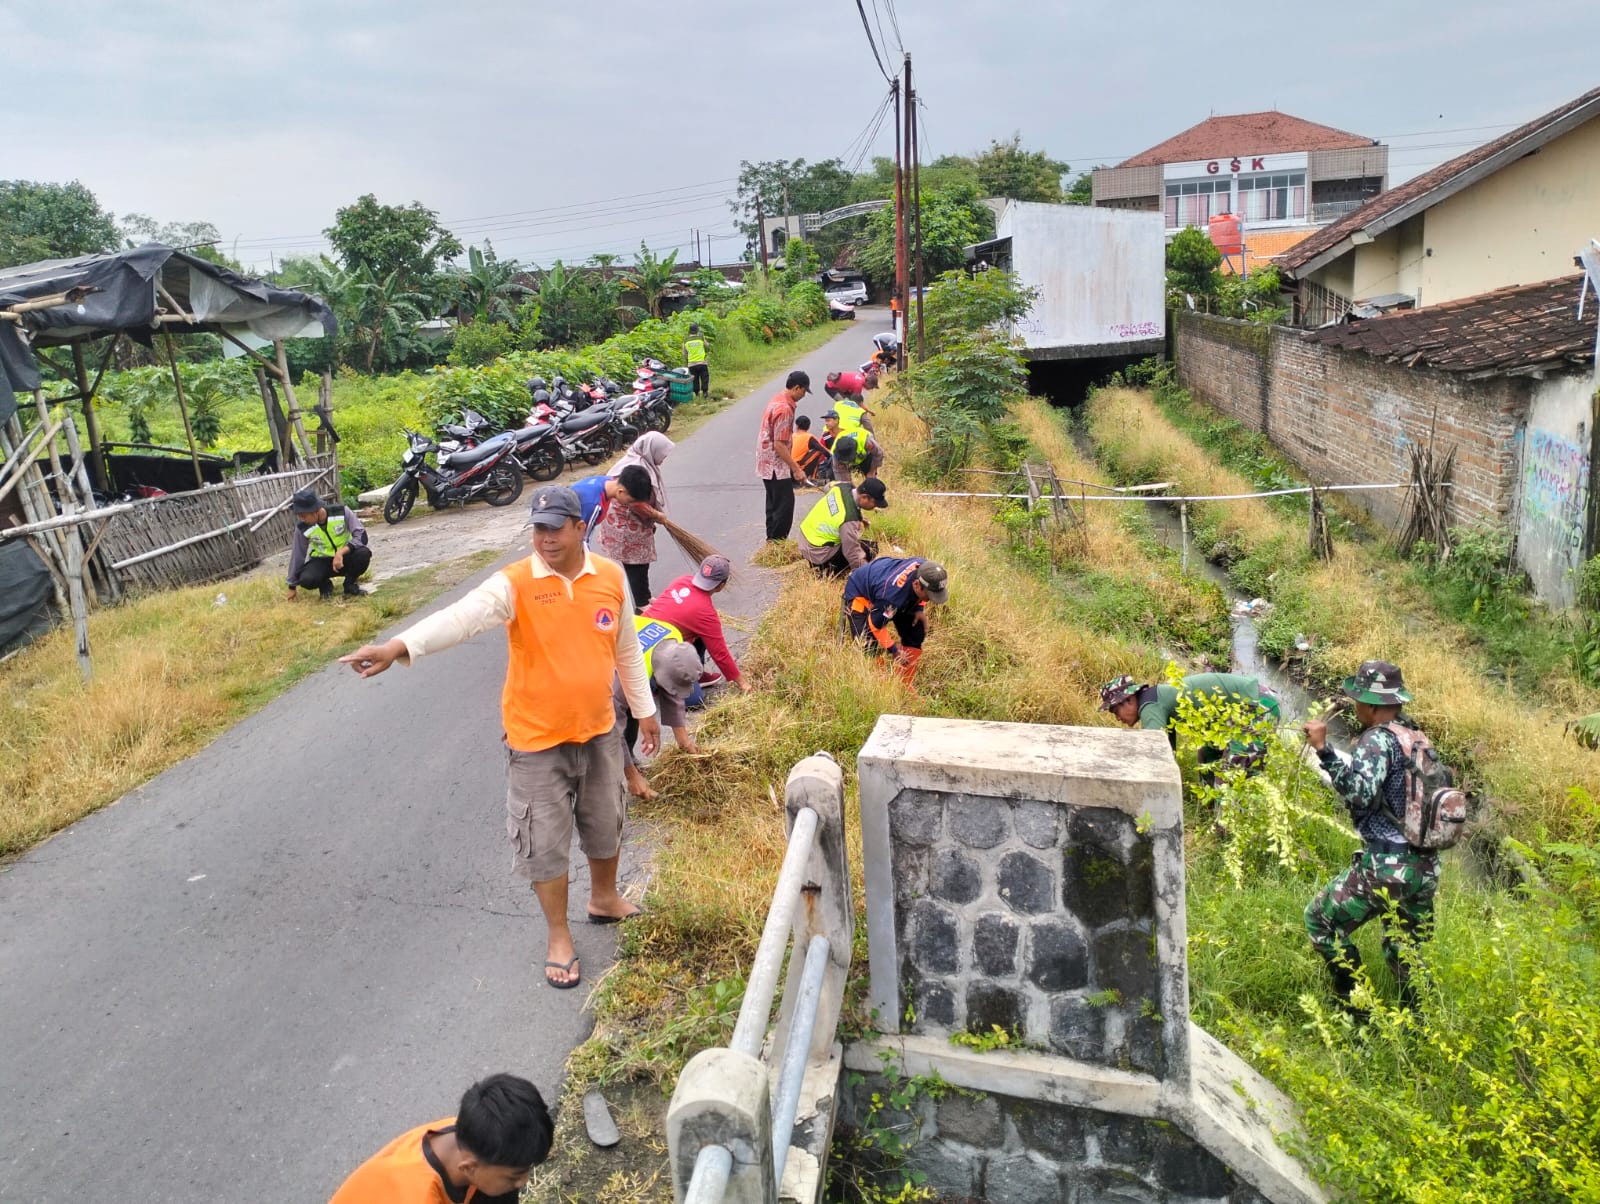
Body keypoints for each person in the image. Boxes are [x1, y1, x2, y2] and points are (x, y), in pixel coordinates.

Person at [339, 485, 660, 991]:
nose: (545, 538)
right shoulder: (515, 582)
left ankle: (604, 898)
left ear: (581, 527)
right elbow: (461, 618)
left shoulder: (611, 577)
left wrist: (643, 712)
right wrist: (401, 645)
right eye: (537, 528)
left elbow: (625, 649)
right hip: (535, 740)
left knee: (606, 822)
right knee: (543, 842)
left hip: (599, 730)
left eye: (556, 527)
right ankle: (559, 935)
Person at [1302, 661, 1437, 1014]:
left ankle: (1357, 1007)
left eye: (1359, 700)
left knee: (1321, 921)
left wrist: (1324, 751)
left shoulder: (1377, 739)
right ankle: (1422, 1023)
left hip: (1387, 864)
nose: (1355, 706)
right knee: (1404, 950)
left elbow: (1359, 793)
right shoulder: (1416, 737)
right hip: (1423, 866)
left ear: (1375, 705)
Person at [328, 1072, 553, 1204]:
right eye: (515, 1176)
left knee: (500, 1190)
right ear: (469, 1168)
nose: (524, 1181)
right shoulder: (417, 1194)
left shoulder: (475, 1135)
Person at [1099, 671, 1280, 770]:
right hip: (1238, 712)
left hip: (1256, 705)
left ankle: (1229, 831)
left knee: (1236, 772)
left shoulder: (1150, 706)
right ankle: (1210, 815)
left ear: (1129, 700)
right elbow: (1167, 753)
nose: (1117, 718)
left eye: (1116, 711)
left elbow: (1153, 757)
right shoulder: (1155, 700)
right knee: (1209, 756)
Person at [615, 621, 704, 799]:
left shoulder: (672, 635)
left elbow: (672, 688)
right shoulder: (618, 682)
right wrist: (630, 775)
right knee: (594, 740)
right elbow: (611, 728)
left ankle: (628, 758)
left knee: (637, 708)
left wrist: (683, 740)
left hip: (622, 641)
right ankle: (614, 773)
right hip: (579, 664)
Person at [643, 554, 752, 695]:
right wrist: (743, 684)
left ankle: (694, 674)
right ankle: (656, 683)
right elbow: (720, 653)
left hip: (640, 638)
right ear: (721, 585)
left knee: (701, 632)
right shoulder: (706, 613)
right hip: (652, 660)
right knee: (696, 699)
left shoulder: (681, 581)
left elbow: (667, 609)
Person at [842, 556, 949, 687]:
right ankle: (879, 684)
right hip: (860, 592)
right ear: (916, 585)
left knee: (916, 630)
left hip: (885, 586)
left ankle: (904, 685)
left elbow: (917, 594)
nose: (931, 600)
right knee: (866, 643)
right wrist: (894, 651)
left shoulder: (926, 569)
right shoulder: (892, 599)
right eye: (929, 596)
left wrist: (919, 609)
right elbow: (875, 625)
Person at [593, 432, 673, 608]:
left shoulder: (641, 462)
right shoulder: (636, 466)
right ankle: (641, 603)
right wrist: (657, 515)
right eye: (662, 454)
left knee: (639, 563)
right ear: (652, 450)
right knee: (636, 564)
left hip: (631, 524)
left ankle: (645, 596)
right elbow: (636, 502)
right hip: (626, 527)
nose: (663, 458)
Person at [286, 487, 371, 601]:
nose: (302, 519)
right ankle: (325, 585)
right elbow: (297, 555)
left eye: (303, 515)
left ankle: (349, 585)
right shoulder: (302, 527)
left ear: (315, 510)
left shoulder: (342, 511)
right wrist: (292, 586)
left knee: (363, 553)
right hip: (322, 562)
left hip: (345, 558)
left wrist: (341, 552)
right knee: (306, 579)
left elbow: (361, 536)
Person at [756, 370, 808, 541]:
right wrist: (796, 469)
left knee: (773, 502)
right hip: (775, 464)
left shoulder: (776, 398)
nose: (804, 394)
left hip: (765, 460)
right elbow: (779, 444)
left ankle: (771, 540)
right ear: (796, 388)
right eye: (804, 390)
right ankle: (778, 542)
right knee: (785, 505)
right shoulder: (784, 408)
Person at [798, 478, 887, 576]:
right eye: (874, 503)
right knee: (870, 549)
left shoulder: (842, 486)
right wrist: (866, 575)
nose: (874, 507)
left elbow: (827, 487)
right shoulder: (848, 519)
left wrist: (860, 517)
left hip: (805, 540)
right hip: (818, 554)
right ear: (864, 497)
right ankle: (826, 571)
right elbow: (852, 553)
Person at [571, 464, 656, 543]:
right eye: (630, 501)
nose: (630, 504)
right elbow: (582, 540)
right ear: (621, 492)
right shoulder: (594, 505)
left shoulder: (606, 480)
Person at [791, 416, 832, 483]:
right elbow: (824, 450)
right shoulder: (809, 437)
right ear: (808, 426)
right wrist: (832, 456)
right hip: (799, 467)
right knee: (818, 451)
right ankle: (813, 477)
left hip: (790, 467)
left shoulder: (792, 435)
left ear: (797, 426)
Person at [683, 322, 710, 397]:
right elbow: (707, 346)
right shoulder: (701, 337)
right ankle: (705, 392)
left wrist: (688, 359)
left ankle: (697, 394)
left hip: (691, 363)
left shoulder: (686, 340)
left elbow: (684, 353)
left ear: (690, 331)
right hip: (702, 362)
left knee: (695, 379)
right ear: (697, 330)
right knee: (704, 377)